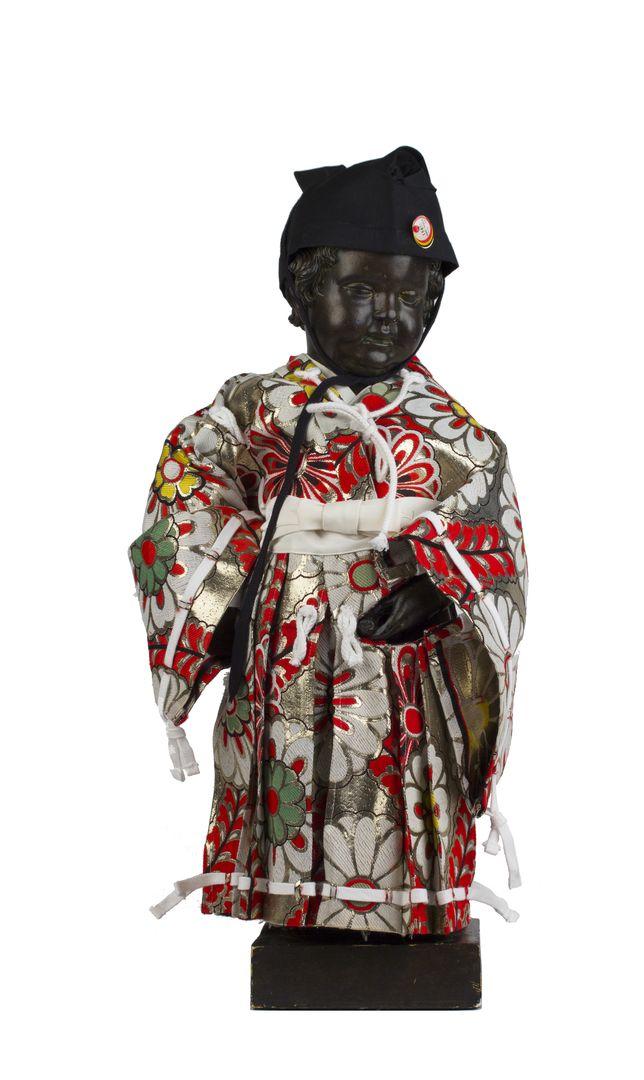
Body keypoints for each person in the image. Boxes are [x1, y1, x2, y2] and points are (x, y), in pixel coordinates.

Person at [129, 147, 528, 936]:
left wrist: (443, 589)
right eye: (361, 289)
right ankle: (296, 911)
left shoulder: (455, 431)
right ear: (301, 294)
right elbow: (188, 487)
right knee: (292, 773)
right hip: (283, 640)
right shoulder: (253, 406)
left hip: (404, 658)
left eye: (410, 296)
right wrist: (224, 599)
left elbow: (493, 535)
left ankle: (408, 911)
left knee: (400, 778)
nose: (388, 314)